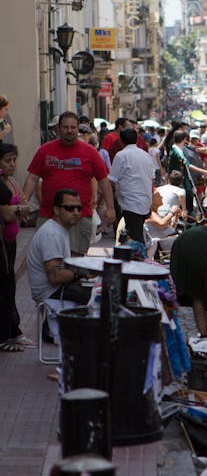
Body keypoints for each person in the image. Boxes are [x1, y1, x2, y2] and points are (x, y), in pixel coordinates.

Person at [23, 111, 115, 256]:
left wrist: (110, 208)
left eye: (73, 127)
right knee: (48, 257)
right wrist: (24, 202)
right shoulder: (44, 150)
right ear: (58, 129)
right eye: (65, 127)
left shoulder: (90, 152)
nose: (69, 131)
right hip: (49, 215)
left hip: (79, 215)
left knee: (76, 259)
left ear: (78, 129)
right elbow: (33, 178)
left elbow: (103, 181)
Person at [27, 189, 92, 341]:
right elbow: (55, 277)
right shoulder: (52, 234)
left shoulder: (60, 229)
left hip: (57, 289)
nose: (76, 212)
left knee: (101, 291)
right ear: (56, 210)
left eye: (79, 208)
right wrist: (82, 272)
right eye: (69, 208)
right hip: (50, 292)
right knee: (104, 299)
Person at [0, 144, 33, 349]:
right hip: (2, 243)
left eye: (14, 160)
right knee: (5, 286)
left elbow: (25, 206)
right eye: (7, 160)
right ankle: (6, 334)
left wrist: (19, 209)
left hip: (11, 242)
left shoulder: (10, 181)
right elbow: (7, 214)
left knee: (9, 286)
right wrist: (19, 209)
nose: (12, 164)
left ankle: (13, 330)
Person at [108, 128, 155, 243]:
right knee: (135, 234)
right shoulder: (146, 155)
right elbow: (152, 180)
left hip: (131, 203)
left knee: (136, 238)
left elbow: (111, 180)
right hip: (144, 202)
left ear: (121, 141)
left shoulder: (121, 156)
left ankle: (141, 258)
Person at [168, 130, 207, 216]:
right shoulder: (177, 151)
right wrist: (204, 171)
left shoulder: (176, 148)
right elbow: (188, 165)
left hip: (179, 179)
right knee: (185, 202)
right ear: (183, 139)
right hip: (180, 181)